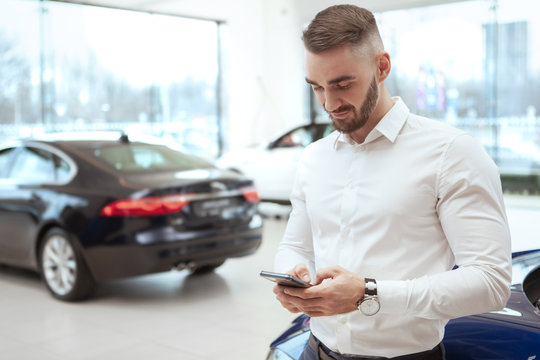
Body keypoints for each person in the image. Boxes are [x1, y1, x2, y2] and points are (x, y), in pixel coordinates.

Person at [272, 4, 511, 360]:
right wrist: (291, 274)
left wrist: (369, 293)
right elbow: (294, 245)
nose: (329, 103)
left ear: (381, 66)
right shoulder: (314, 158)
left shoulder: (451, 153)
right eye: (317, 87)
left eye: (342, 84)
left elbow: (490, 283)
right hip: (315, 350)